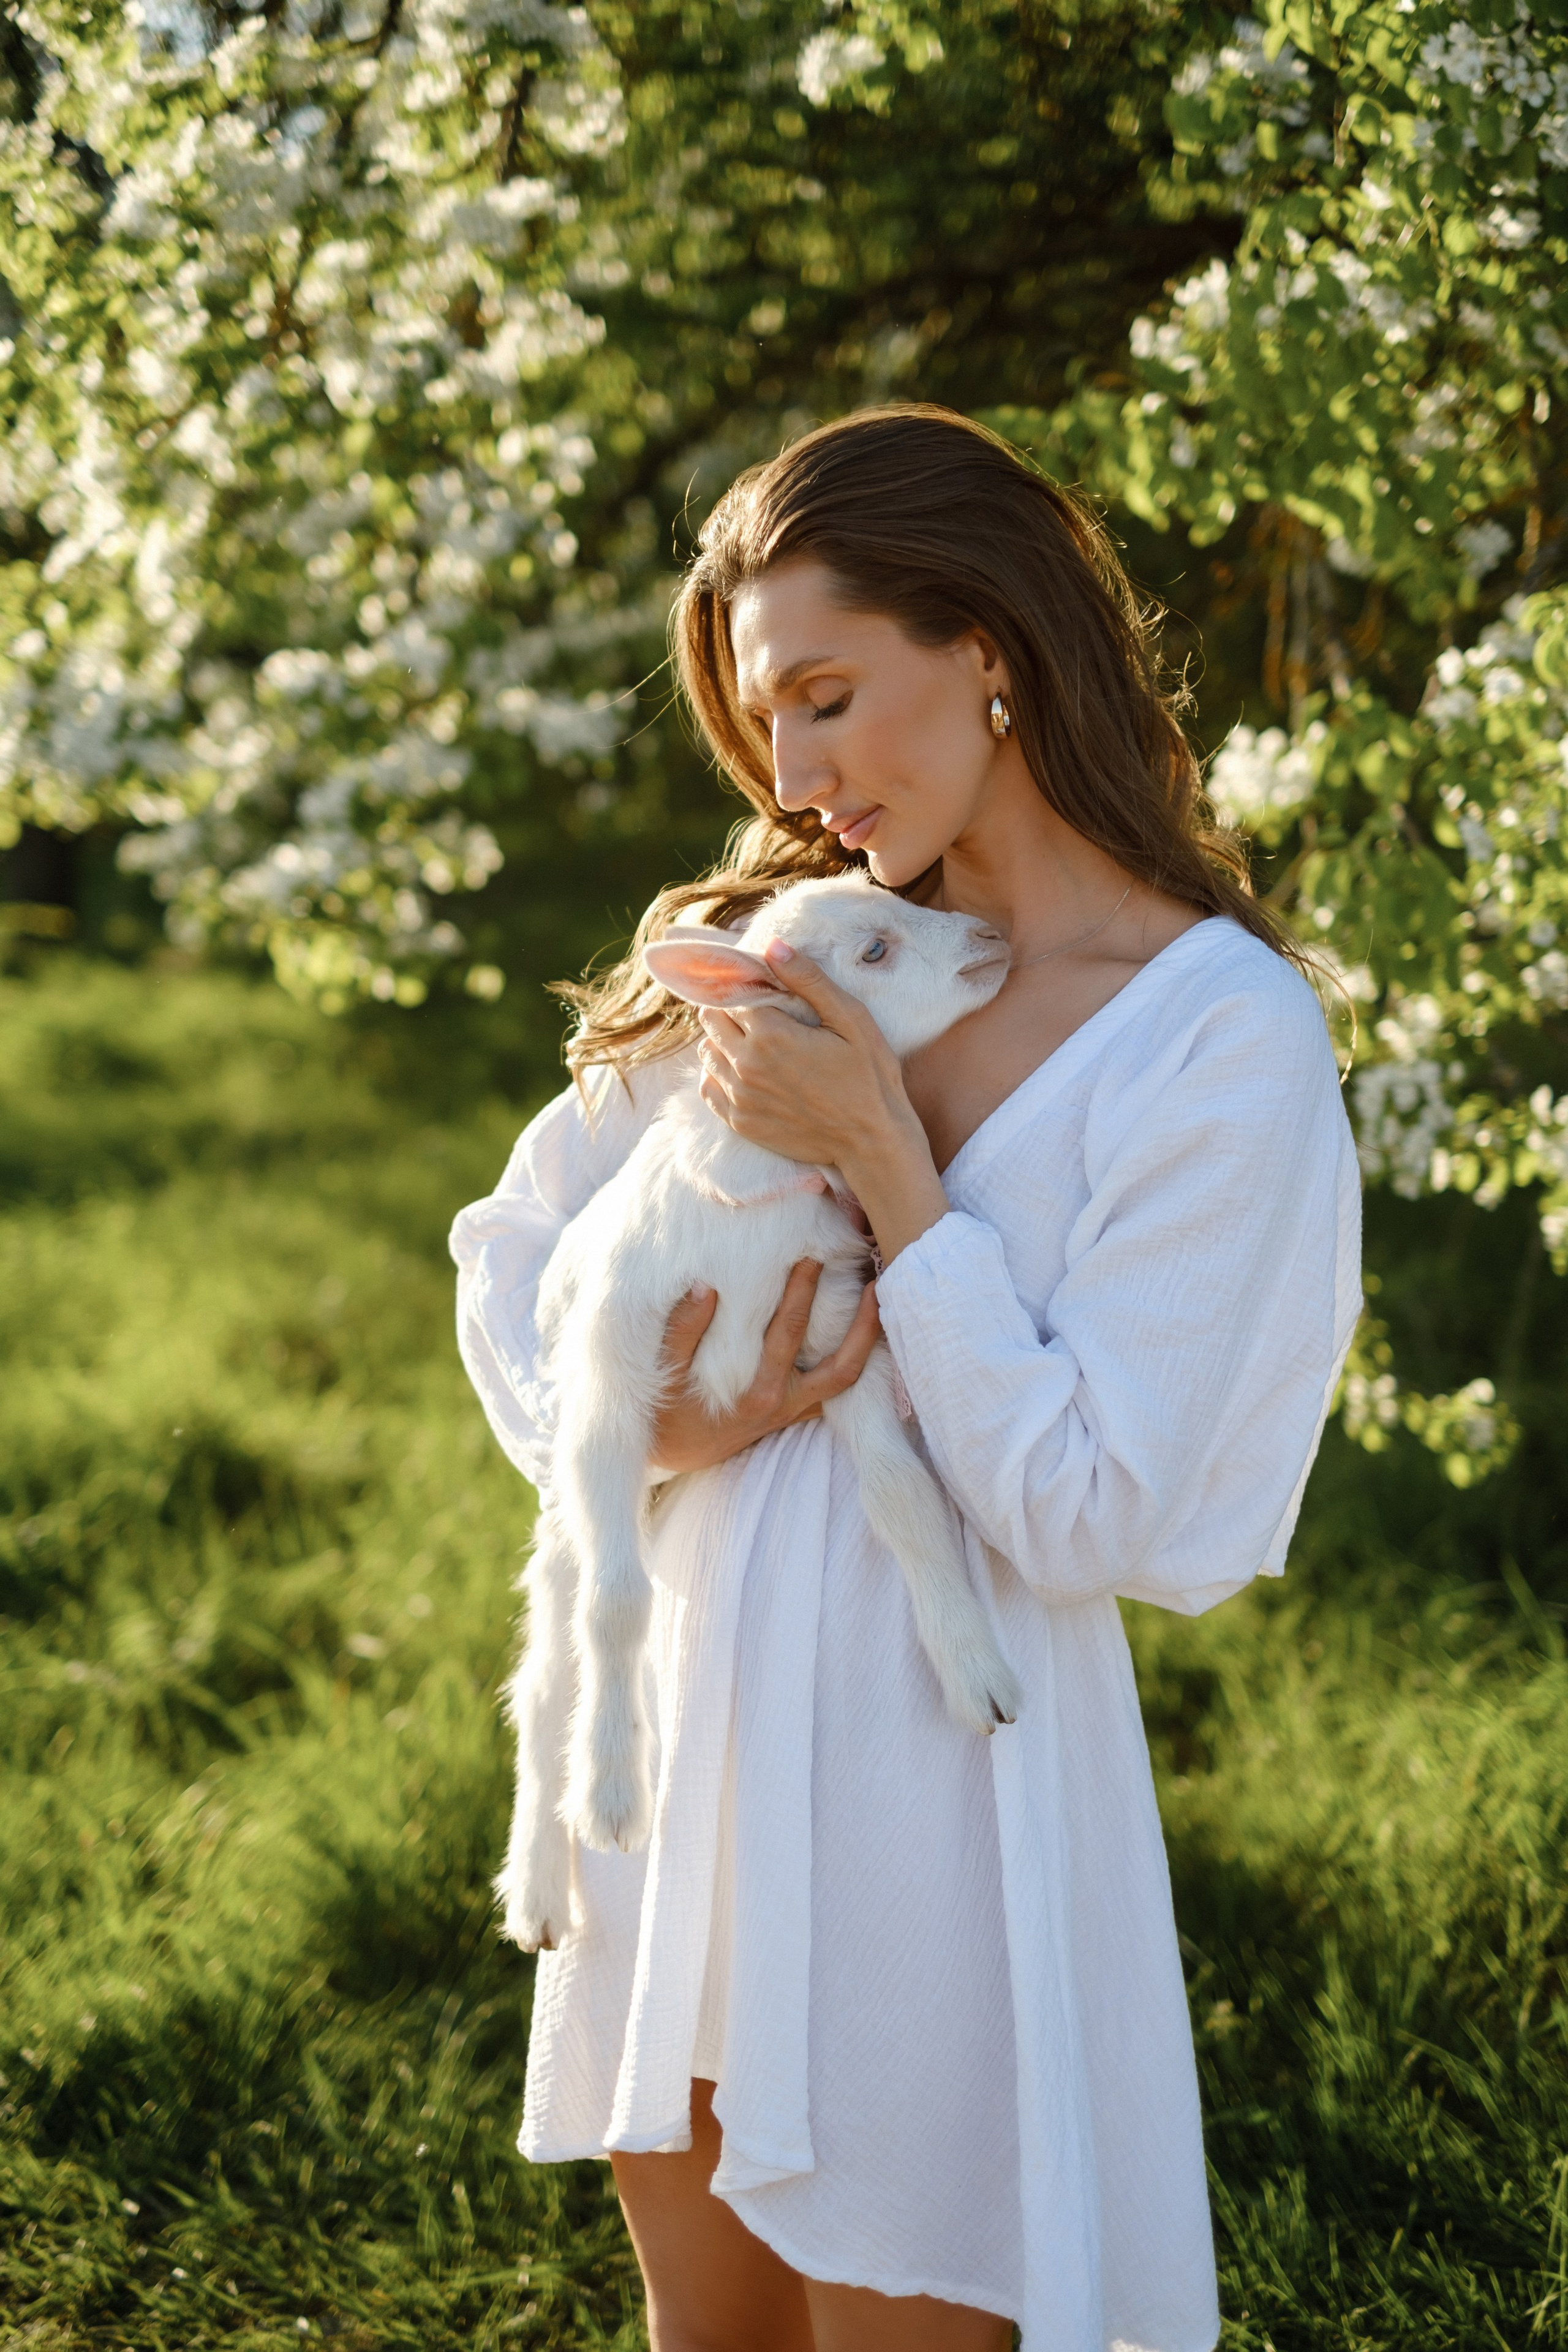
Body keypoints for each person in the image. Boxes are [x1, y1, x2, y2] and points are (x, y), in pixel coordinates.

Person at [450, 405, 1362, 2352]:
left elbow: (1087, 1510)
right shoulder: (773, 951)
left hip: (930, 1794)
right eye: (762, 727)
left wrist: (888, 1165)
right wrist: (668, 1432)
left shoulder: (1217, 1039)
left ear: (995, 651)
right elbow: (514, 1268)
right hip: (685, 1747)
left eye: (829, 697)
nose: (794, 774)